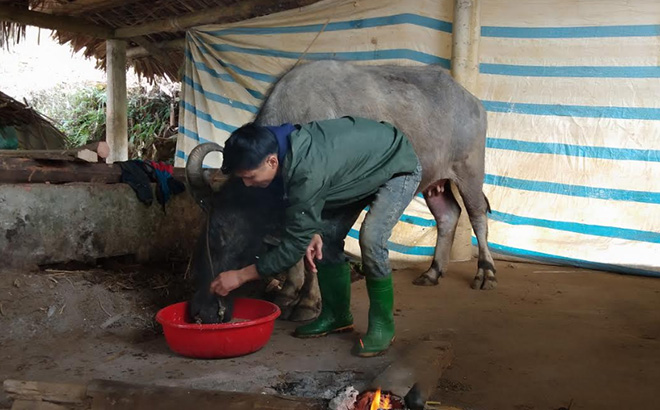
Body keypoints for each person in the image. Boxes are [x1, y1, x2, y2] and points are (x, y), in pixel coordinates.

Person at [210, 116, 421, 357]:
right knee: (327, 238)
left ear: (271, 161)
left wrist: (240, 276)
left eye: (250, 176)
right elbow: (304, 205)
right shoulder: (272, 142)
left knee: (372, 239)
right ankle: (337, 315)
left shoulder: (305, 170)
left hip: (396, 166)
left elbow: (292, 248)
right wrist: (311, 228)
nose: (247, 184)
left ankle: (383, 325)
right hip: (356, 172)